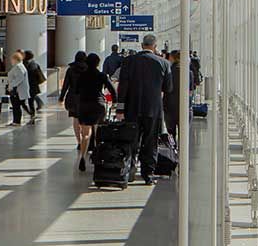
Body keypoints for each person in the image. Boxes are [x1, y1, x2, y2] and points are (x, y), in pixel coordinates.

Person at [117, 36, 173, 183]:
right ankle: (148, 174)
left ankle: (129, 170)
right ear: (155, 46)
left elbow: (122, 86)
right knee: (150, 142)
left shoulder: (128, 61)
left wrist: (120, 109)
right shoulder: (164, 63)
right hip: (153, 109)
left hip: (132, 109)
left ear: (142, 45)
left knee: (131, 140)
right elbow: (168, 88)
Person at [64, 52, 113, 171]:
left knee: (86, 134)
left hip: (84, 105)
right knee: (97, 132)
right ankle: (97, 157)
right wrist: (115, 101)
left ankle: (82, 157)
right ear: (98, 63)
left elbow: (75, 90)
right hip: (98, 105)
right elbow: (112, 90)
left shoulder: (81, 76)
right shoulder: (102, 75)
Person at [164, 49, 183, 143]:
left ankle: (173, 149)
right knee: (183, 132)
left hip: (169, 104)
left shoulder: (168, 72)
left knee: (171, 132)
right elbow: (191, 90)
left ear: (171, 57)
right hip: (183, 106)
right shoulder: (188, 73)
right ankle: (182, 151)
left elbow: (165, 88)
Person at [5, 50, 29, 125]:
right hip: (17, 90)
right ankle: (16, 120)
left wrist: (11, 85)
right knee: (17, 105)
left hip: (17, 90)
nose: (11, 61)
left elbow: (19, 78)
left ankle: (16, 121)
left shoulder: (18, 67)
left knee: (16, 106)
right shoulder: (18, 66)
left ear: (15, 59)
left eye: (12, 59)